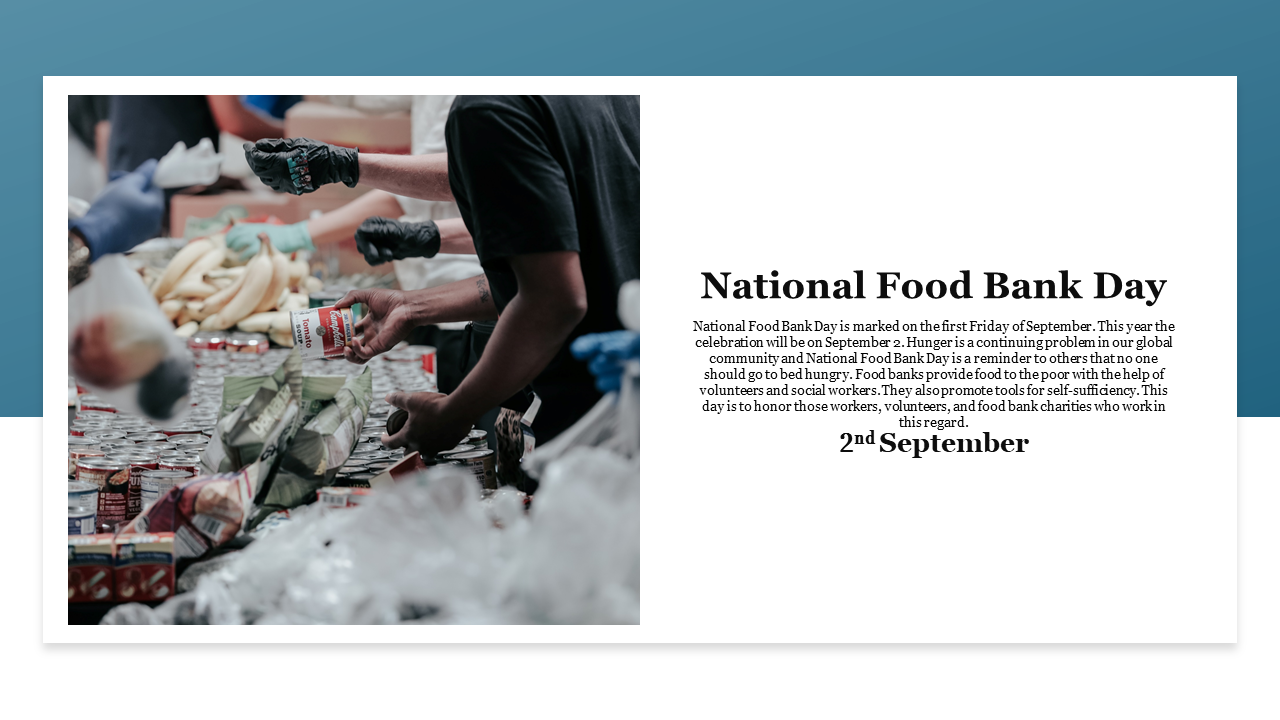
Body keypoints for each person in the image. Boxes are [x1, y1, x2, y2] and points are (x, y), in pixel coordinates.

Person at [243, 96, 639, 461]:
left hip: (593, 410)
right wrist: (415, 298)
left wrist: (455, 412)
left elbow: (553, 298)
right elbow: (540, 220)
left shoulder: (486, 107)